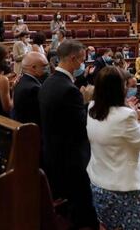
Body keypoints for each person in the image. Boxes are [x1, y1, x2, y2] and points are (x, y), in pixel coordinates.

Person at [38, 39, 99, 229]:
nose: (83, 64)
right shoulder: (68, 90)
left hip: (53, 155)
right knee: (81, 211)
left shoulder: (48, 82)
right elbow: (82, 127)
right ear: (73, 58)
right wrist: (87, 101)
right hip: (71, 160)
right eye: (82, 59)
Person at [86, 66, 140, 230]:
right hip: (122, 190)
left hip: (98, 183)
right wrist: (139, 119)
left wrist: (128, 110)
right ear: (118, 88)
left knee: (105, 225)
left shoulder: (92, 107)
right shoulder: (126, 116)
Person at [13, 52, 49, 125]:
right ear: (33, 68)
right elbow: (42, 113)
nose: (47, 69)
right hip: (32, 130)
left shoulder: (22, 80)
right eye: (44, 66)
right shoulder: (33, 88)